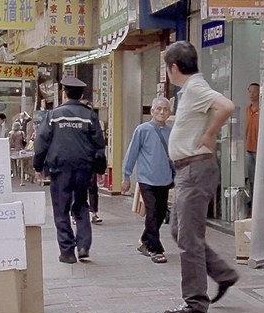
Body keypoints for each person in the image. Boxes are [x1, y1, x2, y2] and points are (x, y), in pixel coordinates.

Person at [163, 41, 239, 313]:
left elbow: (227, 106)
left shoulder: (195, 87)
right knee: (178, 230)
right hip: (188, 171)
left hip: (194, 170)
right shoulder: (190, 90)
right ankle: (223, 273)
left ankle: (195, 300)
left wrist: (210, 134)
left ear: (173, 68)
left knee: (188, 238)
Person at [33, 77, 106, 264]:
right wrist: (100, 168)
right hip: (84, 169)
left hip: (60, 169)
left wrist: (38, 166)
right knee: (81, 205)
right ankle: (83, 246)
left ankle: (67, 252)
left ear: (64, 93)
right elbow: (99, 145)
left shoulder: (54, 115)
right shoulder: (89, 116)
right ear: (81, 95)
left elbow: (41, 142)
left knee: (61, 210)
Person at [122, 96, 173, 264]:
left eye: (165, 109)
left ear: (169, 112)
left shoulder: (171, 132)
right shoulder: (142, 130)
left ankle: (145, 241)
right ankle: (155, 249)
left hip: (164, 179)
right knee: (152, 212)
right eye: (158, 108)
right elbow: (132, 153)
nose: (162, 112)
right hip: (147, 179)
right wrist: (126, 176)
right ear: (152, 111)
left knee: (160, 213)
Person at [245, 82, 260, 214]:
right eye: (250, 91)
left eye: (254, 91)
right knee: (251, 178)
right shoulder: (247, 109)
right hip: (249, 148)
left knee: (259, 178)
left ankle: (259, 202)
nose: (252, 94)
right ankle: (253, 201)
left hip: (259, 149)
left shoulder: (262, 110)